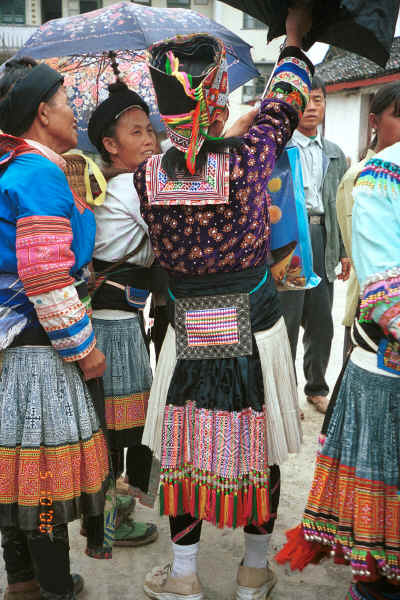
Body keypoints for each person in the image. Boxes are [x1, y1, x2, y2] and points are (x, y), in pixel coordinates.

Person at [134, 6, 314, 600]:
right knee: (255, 446)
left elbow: (193, 154)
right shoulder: (248, 157)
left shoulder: (146, 177)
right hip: (254, 328)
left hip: (185, 335)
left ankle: (184, 578)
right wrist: (292, 44)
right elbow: (284, 101)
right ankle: (252, 572)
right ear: (213, 101)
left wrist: (215, 132)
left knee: (186, 453)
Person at [0, 58, 109, 600]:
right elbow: (45, 275)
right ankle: (54, 587)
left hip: (12, 343)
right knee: (45, 476)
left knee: (15, 466)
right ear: (44, 113)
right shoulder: (38, 173)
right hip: (38, 347)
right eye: (68, 103)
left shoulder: (14, 167)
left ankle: (22, 582)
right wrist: (83, 347)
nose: (75, 112)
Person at [276, 139, 400, 600]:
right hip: (385, 360)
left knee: (320, 331)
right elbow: (387, 292)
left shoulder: (336, 156)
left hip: (323, 253)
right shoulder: (381, 177)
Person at [87, 81, 159, 546]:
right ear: (111, 146)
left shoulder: (120, 184)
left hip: (119, 316)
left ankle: (111, 518)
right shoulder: (130, 189)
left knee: (119, 420)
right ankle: (112, 524)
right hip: (114, 321)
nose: (150, 139)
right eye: (136, 132)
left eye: (150, 130)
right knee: (121, 424)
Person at [279, 75, 350, 414]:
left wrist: (345, 251)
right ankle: (282, 394)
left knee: (321, 320)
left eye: (318, 99)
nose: (311, 107)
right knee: (288, 319)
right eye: (304, 100)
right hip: (292, 242)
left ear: (325, 104)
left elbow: (341, 204)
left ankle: (317, 387)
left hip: (322, 238)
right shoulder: (279, 150)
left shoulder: (335, 154)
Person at [336, 81, 400, 360]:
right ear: (374, 121)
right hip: (373, 303)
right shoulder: (364, 177)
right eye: (399, 117)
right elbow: (361, 248)